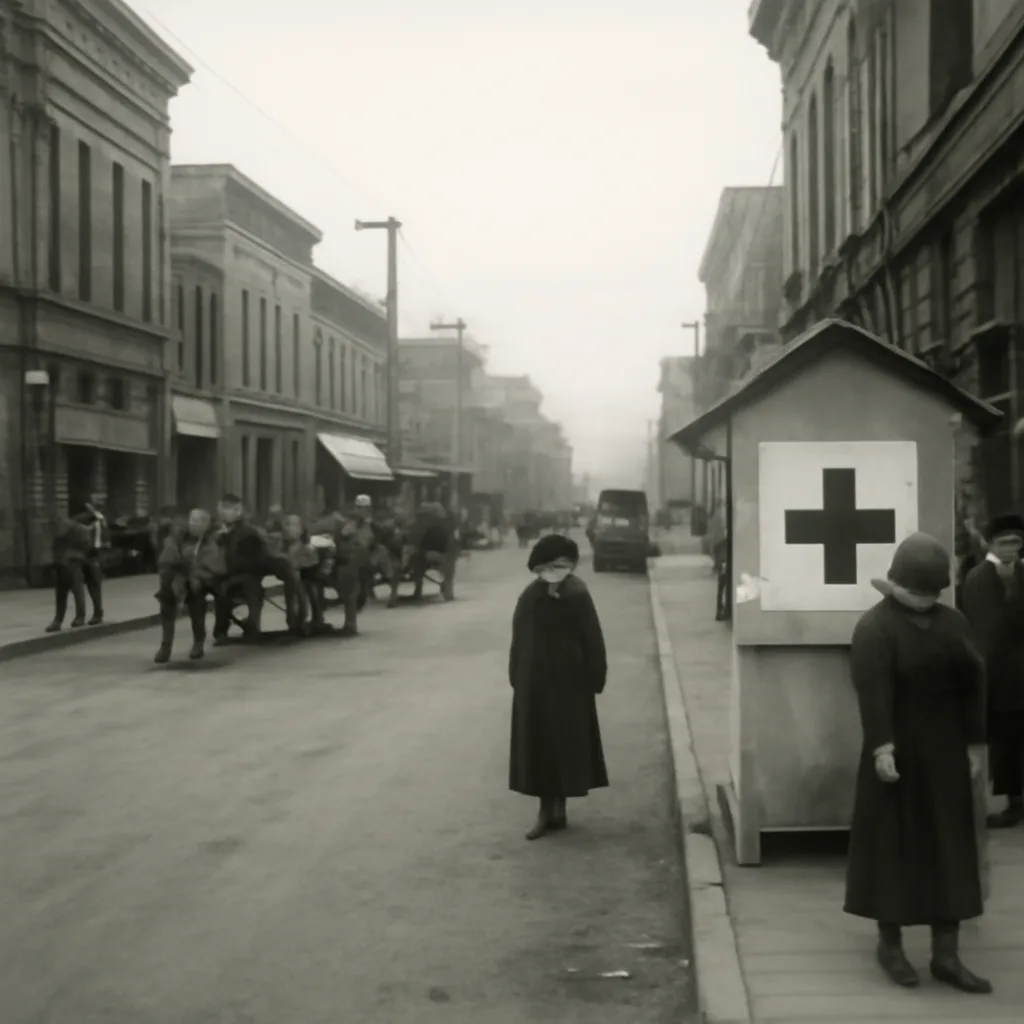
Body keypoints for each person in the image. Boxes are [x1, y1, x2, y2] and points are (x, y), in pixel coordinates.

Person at [844, 532, 990, 994]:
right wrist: (882, 747)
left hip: (945, 751)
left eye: (933, 593)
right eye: (918, 591)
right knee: (893, 846)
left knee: (950, 847)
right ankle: (890, 944)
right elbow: (874, 693)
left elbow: (973, 685)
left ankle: (947, 953)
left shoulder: (954, 625)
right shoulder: (875, 628)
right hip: (898, 754)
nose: (926, 600)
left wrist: (973, 745)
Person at [508, 533, 609, 840]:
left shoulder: (577, 594)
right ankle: (545, 811)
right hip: (536, 682)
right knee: (540, 745)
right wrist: (516, 675)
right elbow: (519, 638)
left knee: (563, 744)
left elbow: (593, 638)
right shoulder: (531, 596)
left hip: (569, 682)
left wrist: (595, 676)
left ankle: (559, 809)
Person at [962, 512, 1024, 828]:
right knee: (999, 738)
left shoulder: (1022, 574)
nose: (1011, 549)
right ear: (991, 544)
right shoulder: (978, 579)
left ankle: (1016, 800)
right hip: (996, 673)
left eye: (1016, 542)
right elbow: (982, 629)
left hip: (1019, 671)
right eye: (1004, 543)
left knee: (1015, 738)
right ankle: (1007, 800)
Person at [154, 507, 224, 663]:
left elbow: (211, 564)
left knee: (197, 601)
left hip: (199, 581)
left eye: (199, 521)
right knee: (166, 601)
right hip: (177, 578)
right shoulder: (178, 537)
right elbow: (168, 558)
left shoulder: (211, 541)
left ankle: (198, 642)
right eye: (192, 520)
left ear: (206, 525)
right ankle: (166, 646)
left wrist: (194, 575)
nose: (194, 524)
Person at [44, 514, 93, 632]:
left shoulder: (79, 530)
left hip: (73, 564)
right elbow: (54, 548)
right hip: (61, 564)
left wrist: (76, 557)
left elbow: (87, 547)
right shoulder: (59, 533)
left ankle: (78, 617)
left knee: (77, 591)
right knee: (62, 593)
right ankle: (58, 620)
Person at [72, 496, 109, 624]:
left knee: (94, 584)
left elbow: (105, 537)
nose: (99, 503)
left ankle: (97, 613)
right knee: (80, 586)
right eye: (96, 501)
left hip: (94, 554)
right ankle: (81, 615)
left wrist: (102, 553)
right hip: (82, 554)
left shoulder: (100, 518)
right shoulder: (81, 519)